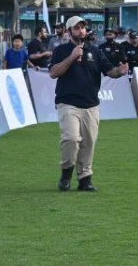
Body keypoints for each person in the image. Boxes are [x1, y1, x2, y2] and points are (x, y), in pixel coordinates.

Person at [49, 15, 129, 192]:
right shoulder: (61, 50)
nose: (81, 31)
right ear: (69, 31)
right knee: (71, 139)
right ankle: (66, 174)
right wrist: (72, 57)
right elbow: (53, 73)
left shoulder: (95, 51)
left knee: (89, 142)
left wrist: (120, 71)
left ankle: (85, 179)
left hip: (91, 104)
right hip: (68, 103)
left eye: (83, 27)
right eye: (77, 28)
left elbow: (110, 71)